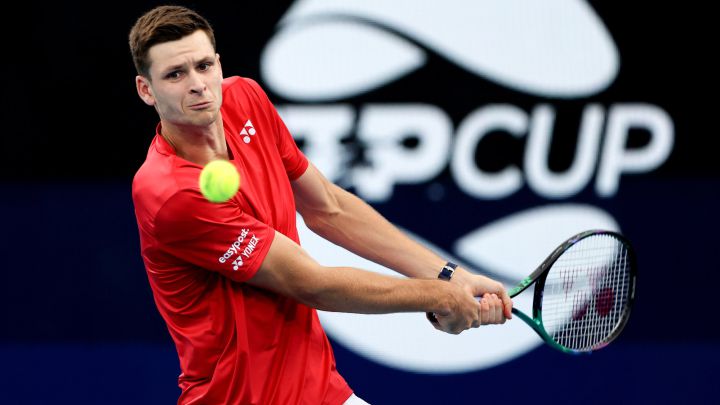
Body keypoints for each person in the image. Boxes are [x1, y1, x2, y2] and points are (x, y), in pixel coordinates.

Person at [129, 5, 512, 405]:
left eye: (204, 66)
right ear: (146, 89)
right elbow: (309, 284)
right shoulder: (170, 193)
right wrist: (439, 296)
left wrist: (449, 275)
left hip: (320, 390)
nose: (198, 85)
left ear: (219, 64)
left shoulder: (246, 99)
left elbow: (329, 208)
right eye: (175, 75)